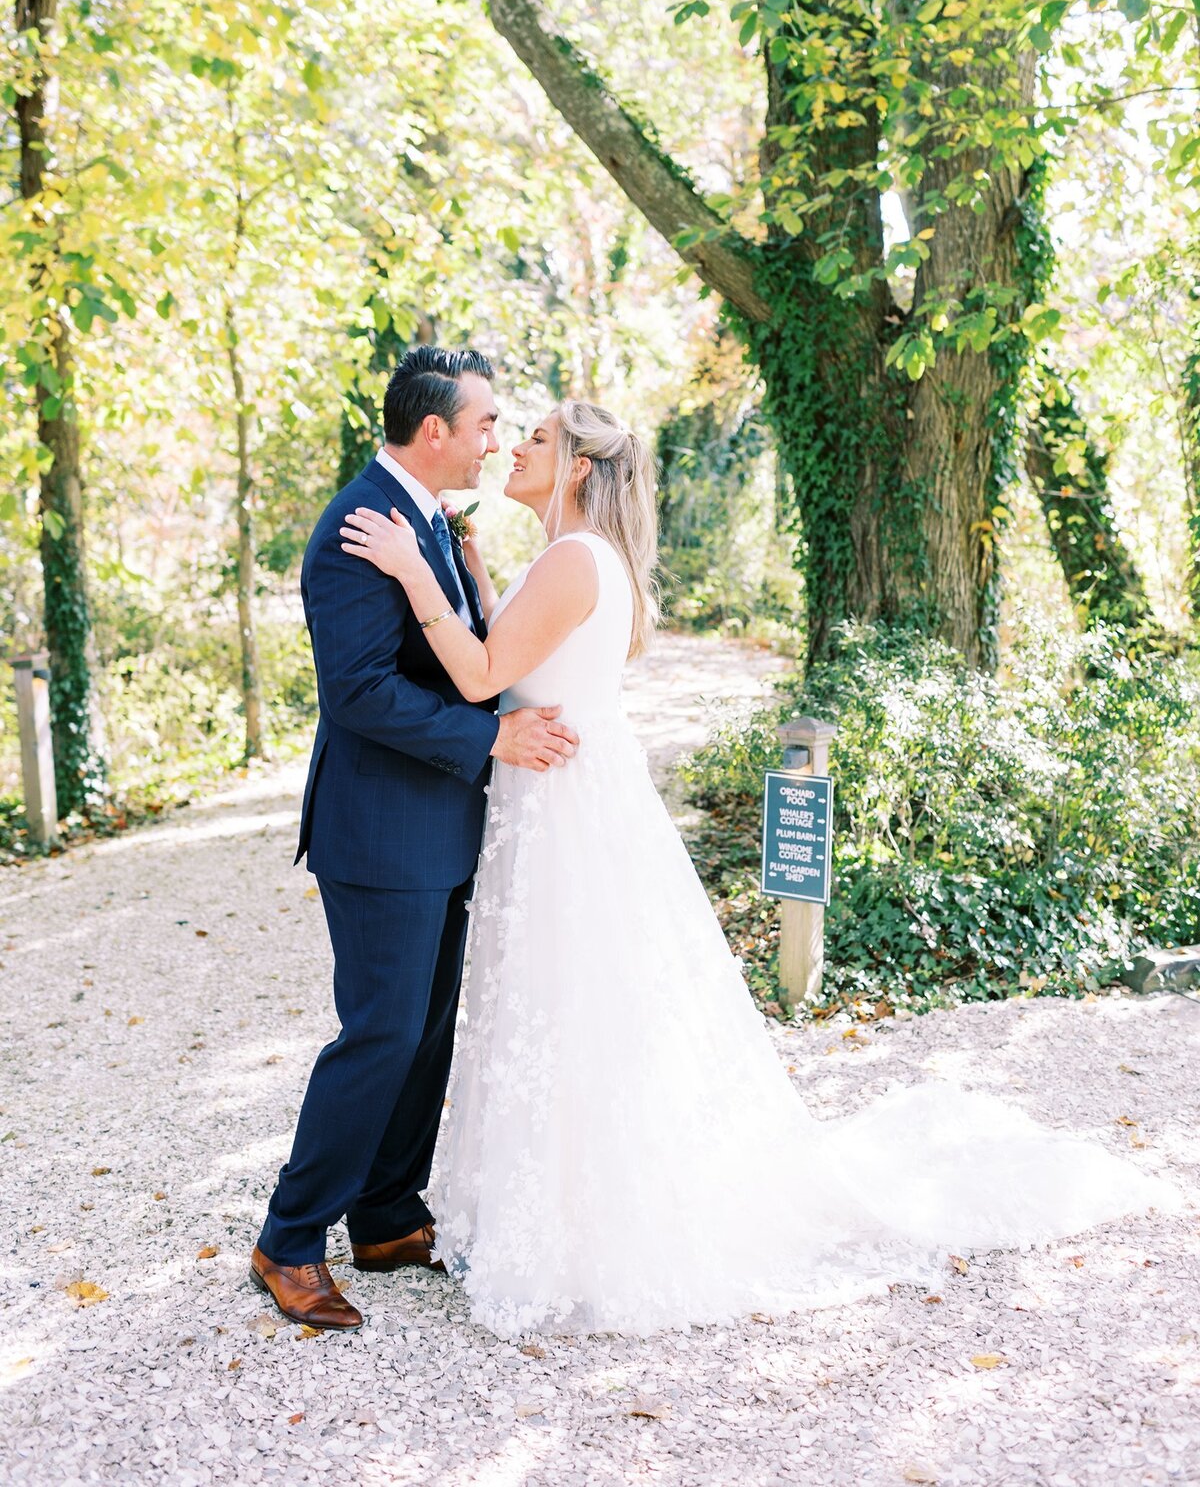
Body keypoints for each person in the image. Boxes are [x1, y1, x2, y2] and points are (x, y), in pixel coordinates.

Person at [340, 398, 1170, 1339]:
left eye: (535, 438)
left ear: (575, 467)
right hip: (559, 800)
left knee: (571, 1002)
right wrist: (476, 571)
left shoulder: (576, 559)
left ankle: (591, 1226)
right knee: (561, 1006)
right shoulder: (569, 558)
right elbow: (520, 653)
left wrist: (413, 570)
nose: (515, 448)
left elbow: (486, 676)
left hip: (566, 810)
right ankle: (556, 1207)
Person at [250, 348, 579, 1332]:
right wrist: (492, 737)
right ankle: (290, 1238)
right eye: (484, 424)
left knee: (428, 1028)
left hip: (441, 820)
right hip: (380, 827)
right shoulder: (358, 527)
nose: (493, 440)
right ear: (433, 431)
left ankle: (389, 1214)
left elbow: (455, 655)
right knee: (382, 1031)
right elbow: (359, 691)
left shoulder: (431, 520)